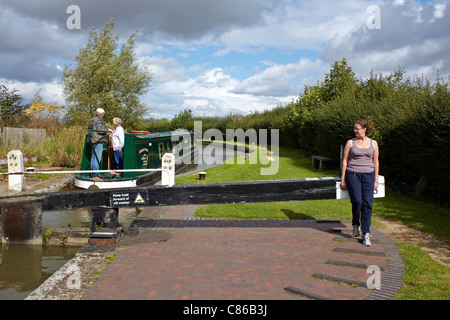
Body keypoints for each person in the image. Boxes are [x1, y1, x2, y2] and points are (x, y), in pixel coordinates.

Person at [340, 120, 379, 246]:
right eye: (354, 128)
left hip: (369, 176)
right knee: (357, 201)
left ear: (364, 129)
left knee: (368, 204)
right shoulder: (350, 143)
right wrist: (343, 179)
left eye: (357, 128)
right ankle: (355, 224)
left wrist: (376, 180)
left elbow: (376, 162)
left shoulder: (373, 143)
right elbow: (345, 161)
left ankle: (366, 233)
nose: (355, 131)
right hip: (353, 175)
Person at [88, 108, 107, 176]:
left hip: (92, 140)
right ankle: (96, 174)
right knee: (97, 158)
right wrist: (107, 130)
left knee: (93, 157)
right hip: (98, 140)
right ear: (101, 114)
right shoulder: (99, 120)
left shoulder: (92, 119)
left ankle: (92, 173)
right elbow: (100, 131)